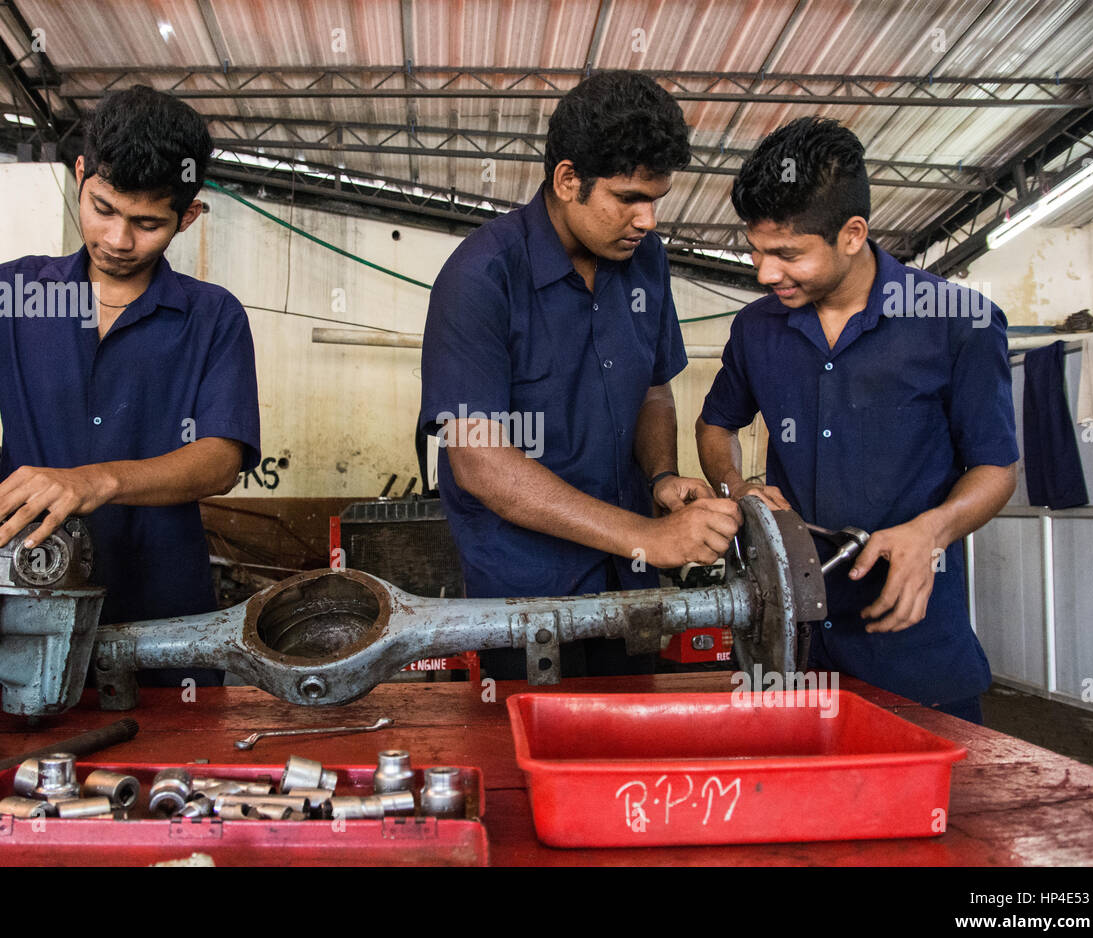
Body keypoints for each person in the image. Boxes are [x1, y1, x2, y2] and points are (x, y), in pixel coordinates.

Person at [0, 85, 260, 632]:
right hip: (21, 604)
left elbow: (221, 459)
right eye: (102, 208)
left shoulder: (213, 317)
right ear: (82, 173)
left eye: (147, 223)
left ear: (188, 216)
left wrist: (96, 481)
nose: (116, 238)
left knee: (177, 720)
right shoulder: (8, 295)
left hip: (165, 618)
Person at [419, 71, 740, 679]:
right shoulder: (481, 277)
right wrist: (651, 537)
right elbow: (481, 463)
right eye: (628, 198)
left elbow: (653, 388)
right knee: (530, 756)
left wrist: (661, 477)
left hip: (628, 584)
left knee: (623, 755)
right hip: (526, 596)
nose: (647, 219)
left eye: (656, 200)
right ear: (568, 180)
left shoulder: (646, 262)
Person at [696, 117, 1018, 722]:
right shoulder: (756, 329)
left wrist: (933, 530)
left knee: (935, 814)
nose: (765, 274)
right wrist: (738, 492)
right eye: (756, 250)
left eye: (787, 254)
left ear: (852, 233)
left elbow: (997, 468)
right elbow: (716, 426)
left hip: (917, 656)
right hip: (788, 653)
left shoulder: (959, 323)